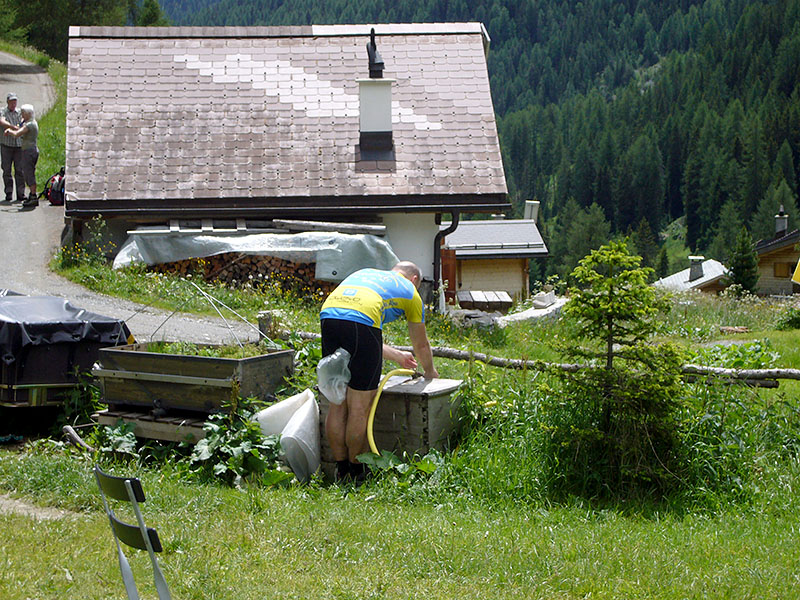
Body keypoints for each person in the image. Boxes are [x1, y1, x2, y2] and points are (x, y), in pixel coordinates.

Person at [320, 261, 439, 481]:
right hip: (362, 320)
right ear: (414, 280)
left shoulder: (366, 273)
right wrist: (430, 372)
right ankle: (357, 473)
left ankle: (340, 471)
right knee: (358, 408)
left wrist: (398, 356)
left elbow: (358, 330)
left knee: (337, 403)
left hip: (329, 315)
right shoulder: (411, 292)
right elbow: (420, 345)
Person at [6, 104, 39, 207]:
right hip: (29, 150)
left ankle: (33, 196)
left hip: (28, 151)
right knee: (27, 172)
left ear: (28, 114)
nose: (22, 115)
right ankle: (31, 194)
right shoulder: (30, 122)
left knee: (29, 173)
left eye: (23, 113)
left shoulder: (29, 125)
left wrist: (9, 131)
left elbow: (17, 134)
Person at [0, 93, 24, 203]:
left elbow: (24, 123)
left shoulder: (19, 112)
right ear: (8, 102)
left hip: (19, 146)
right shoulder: (3, 111)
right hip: (6, 146)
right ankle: (8, 193)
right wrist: (12, 127)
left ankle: (21, 194)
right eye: (11, 102)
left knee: (20, 170)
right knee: (7, 170)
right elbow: (2, 121)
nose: (13, 104)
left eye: (15, 102)